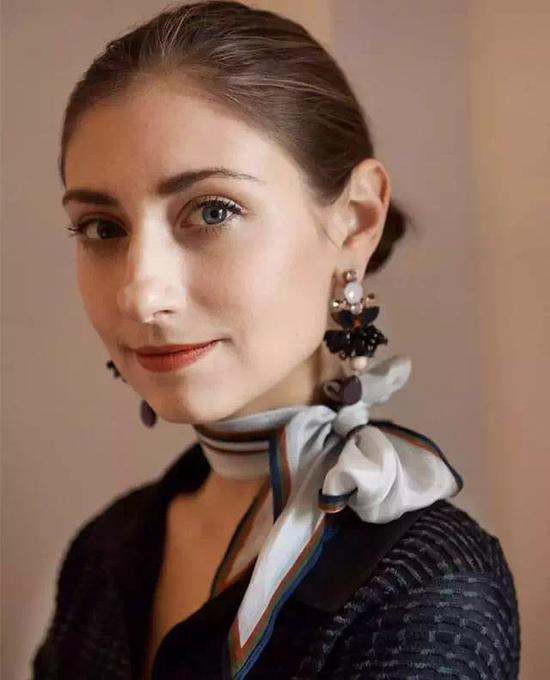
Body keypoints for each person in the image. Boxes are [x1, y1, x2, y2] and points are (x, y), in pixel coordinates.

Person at [31, 1, 520, 679]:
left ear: (356, 220)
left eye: (212, 210)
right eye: (102, 228)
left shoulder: (427, 582)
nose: (140, 294)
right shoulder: (103, 550)